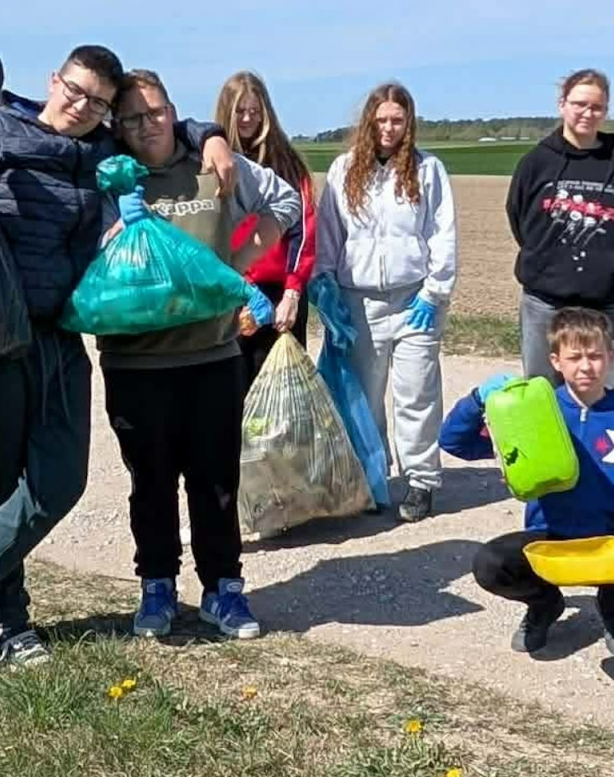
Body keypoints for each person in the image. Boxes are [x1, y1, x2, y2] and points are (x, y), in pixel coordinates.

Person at [0, 44, 239, 674]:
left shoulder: (100, 150)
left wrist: (208, 134)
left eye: (98, 103)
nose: (81, 107)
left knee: (60, 481)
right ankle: (12, 627)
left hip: (58, 337)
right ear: (55, 80)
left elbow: (155, 122)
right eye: (75, 91)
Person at [100, 69, 300, 640]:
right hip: (135, 361)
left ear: (172, 110)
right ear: (118, 125)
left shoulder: (213, 164)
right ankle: (157, 586)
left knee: (215, 483)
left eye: (156, 112)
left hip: (211, 356)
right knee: (151, 481)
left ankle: (223, 591)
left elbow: (284, 199)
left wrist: (234, 266)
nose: (147, 126)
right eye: (132, 118)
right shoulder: (111, 176)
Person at [439, 307, 614, 657]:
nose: (586, 367)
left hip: (610, 546)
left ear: (611, 357)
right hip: (551, 539)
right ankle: (544, 604)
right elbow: (456, 443)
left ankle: (613, 608)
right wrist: (477, 400)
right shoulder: (533, 412)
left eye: (595, 356)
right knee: (490, 564)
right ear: (556, 361)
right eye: (575, 357)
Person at [313, 82, 457, 522]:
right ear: (368, 122)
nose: (389, 129)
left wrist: (435, 293)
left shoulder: (428, 170)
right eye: (381, 120)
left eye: (397, 120)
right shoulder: (343, 170)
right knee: (366, 397)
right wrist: (326, 285)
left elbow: (442, 233)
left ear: (408, 122)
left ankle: (421, 480)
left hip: (415, 298)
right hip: (360, 302)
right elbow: (330, 232)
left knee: (416, 393)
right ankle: (373, 478)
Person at [506, 68, 614, 401]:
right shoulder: (536, 162)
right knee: (543, 394)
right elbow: (519, 217)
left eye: (596, 107)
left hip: (609, 301)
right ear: (562, 105)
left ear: (606, 111)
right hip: (546, 300)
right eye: (579, 104)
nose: (587, 113)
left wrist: (611, 267)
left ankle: (609, 453)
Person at [215, 71, 316, 386]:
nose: (247, 119)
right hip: (231, 293)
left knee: (280, 392)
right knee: (230, 391)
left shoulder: (286, 163)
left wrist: (292, 291)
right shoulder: (214, 160)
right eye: (240, 111)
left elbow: (303, 229)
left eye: (255, 111)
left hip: (279, 298)